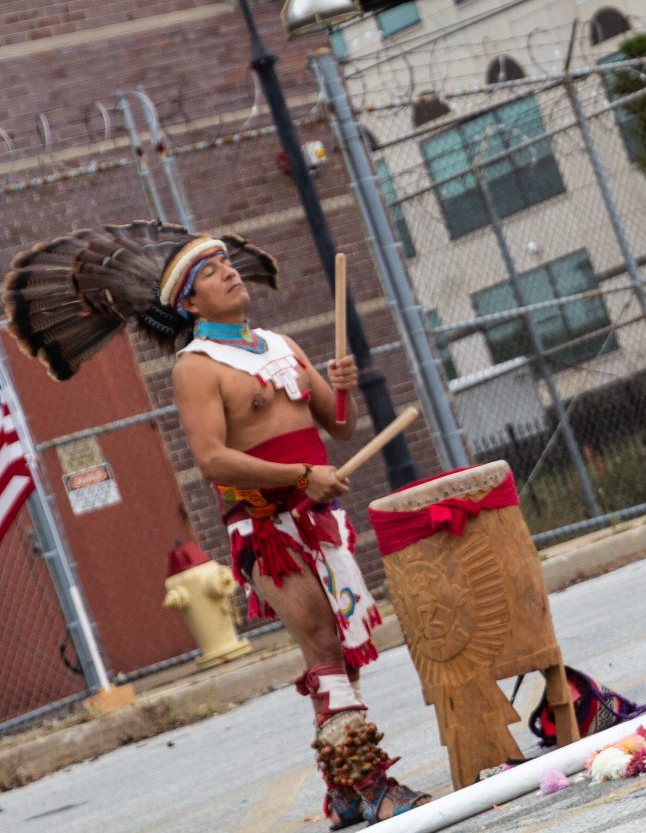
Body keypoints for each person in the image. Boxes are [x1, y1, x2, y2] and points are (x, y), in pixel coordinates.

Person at [3, 223, 429, 826]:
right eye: (210, 271)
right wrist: (302, 477)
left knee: (338, 653)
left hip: (318, 519)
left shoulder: (281, 344)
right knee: (324, 645)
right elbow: (211, 459)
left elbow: (339, 429)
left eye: (226, 261)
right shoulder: (196, 367)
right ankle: (372, 783)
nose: (229, 270)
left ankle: (345, 792)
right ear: (190, 304)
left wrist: (342, 392)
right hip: (266, 529)